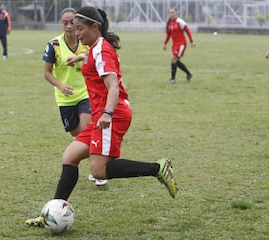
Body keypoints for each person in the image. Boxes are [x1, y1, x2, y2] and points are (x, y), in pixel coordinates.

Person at [26, 6, 178, 227]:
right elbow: (94, 57)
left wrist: (107, 113)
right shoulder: (96, 47)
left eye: (80, 29)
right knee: (70, 156)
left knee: (99, 170)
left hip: (111, 114)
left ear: (94, 27)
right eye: (74, 29)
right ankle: (50, 214)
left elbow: (113, 85)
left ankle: (158, 168)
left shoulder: (101, 51)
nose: (76, 33)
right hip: (102, 113)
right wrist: (79, 57)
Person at [43, 8, 107, 186]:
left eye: (72, 22)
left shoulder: (85, 40)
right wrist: (60, 85)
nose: (69, 26)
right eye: (65, 23)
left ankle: (98, 170)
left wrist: (81, 57)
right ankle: (99, 159)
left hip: (85, 94)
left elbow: (97, 54)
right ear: (61, 24)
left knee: (88, 128)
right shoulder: (54, 45)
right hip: (64, 99)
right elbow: (47, 73)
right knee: (77, 134)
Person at [163, 8, 195, 84]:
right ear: (169, 14)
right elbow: (168, 35)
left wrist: (192, 41)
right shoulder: (169, 23)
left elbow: (187, 31)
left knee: (174, 59)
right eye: (170, 12)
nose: (172, 14)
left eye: (173, 12)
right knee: (175, 61)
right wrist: (165, 43)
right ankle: (188, 73)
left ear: (176, 13)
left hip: (181, 44)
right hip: (174, 45)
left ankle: (173, 79)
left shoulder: (180, 21)